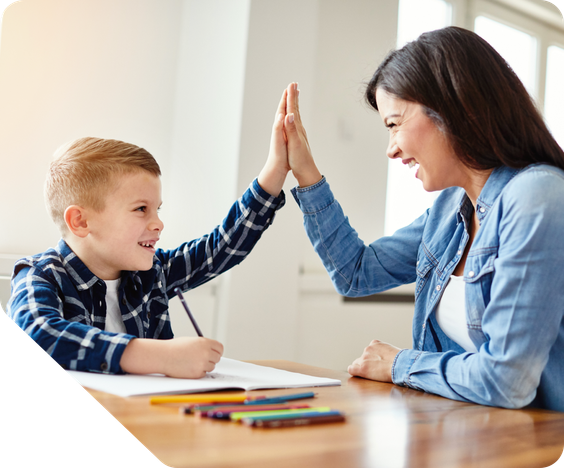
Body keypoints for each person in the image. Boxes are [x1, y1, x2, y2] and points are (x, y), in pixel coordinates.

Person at [281, 26, 564, 411]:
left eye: (394, 124)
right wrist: (305, 172)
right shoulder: (451, 208)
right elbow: (355, 273)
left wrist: (399, 363)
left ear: (454, 106)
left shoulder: (537, 197)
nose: (391, 149)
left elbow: (506, 381)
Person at [7, 90, 291, 378]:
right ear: (80, 221)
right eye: (141, 209)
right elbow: (39, 334)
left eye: (158, 209)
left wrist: (275, 171)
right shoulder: (40, 275)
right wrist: (160, 357)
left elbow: (221, 248)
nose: (158, 223)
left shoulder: (153, 272)